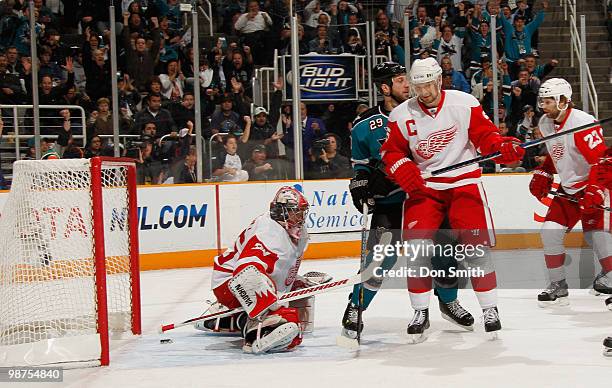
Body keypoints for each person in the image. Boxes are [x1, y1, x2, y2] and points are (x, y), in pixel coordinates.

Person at [380, 57, 525, 340]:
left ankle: (490, 309)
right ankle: (420, 311)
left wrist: (502, 148)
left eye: (429, 85)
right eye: (418, 87)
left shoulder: (464, 103)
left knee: (476, 250)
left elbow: (486, 137)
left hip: (464, 184)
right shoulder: (400, 114)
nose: (425, 92)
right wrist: (401, 167)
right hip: (425, 190)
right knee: (417, 252)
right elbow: (391, 153)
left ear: (438, 80)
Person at [341, 62, 476, 341]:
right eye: (401, 81)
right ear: (385, 87)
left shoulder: (429, 113)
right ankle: (357, 305)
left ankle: (448, 301)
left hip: (429, 198)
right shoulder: (364, 126)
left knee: (444, 254)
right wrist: (361, 183)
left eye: (408, 80)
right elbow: (361, 167)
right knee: (380, 259)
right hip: (390, 204)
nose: (409, 85)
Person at [527, 78, 611, 307]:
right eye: (541, 100)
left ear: (563, 101)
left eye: (548, 101)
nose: (542, 105)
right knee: (549, 233)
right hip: (569, 189)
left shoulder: (583, 123)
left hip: (594, 185)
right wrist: (544, 172)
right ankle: (558, 285)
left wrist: (594, 189)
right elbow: (558, 154)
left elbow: (602, 161)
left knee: (598, 236)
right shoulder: (545, 123)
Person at [200, 186, 309, 354]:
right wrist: (274, 306)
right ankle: (256, 331)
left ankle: (238, 318)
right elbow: (245, 274)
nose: (300, 217)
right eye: (296, 212)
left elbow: (281, 266)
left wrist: (295, 283)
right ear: (282, 212)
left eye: (302, 212)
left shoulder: (293, 230)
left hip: (247, 279)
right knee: (256, 281)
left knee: (300, 292)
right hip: (227, 284)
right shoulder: (269, 233)